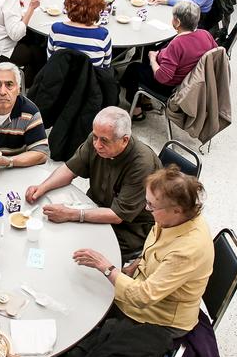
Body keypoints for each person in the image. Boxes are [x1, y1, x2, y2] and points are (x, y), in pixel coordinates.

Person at [66, 166, 214, 357]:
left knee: (84, 333)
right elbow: (153, 250)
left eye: (152, 206)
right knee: (83, 296)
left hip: (157, 320)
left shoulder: (188, 249)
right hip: (141, 289)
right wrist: (133, 266)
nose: (146, 209)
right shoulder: (171, 219)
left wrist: (106, 267)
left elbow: (142, 297)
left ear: (177, 210)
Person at [25, 107, 161, 258]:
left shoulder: (142, 165)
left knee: (72, 248)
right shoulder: (98, 138)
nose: (97, 145)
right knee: (53, 229)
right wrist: (42, 187)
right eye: (95, 137)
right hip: (95, 205)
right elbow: (70, 169)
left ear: (124, 140)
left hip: (128, 229)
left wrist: (71, 214)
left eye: (104, 140)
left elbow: (117, 215)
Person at [120, 0, 217, 120]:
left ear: (177, 22)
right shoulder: (205, 34)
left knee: (133, 69)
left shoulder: (178, 44)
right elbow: (214, 54)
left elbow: (162, 77)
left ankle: (136, 111)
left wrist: (153, 59)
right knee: (147, 56)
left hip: (171, 87)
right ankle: (145, 98)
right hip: (190, 81)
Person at [47, 0, 112, 68]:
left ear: (68, 5)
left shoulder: (56, 30)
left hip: (59, 79)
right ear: (97, 9)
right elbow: (106, 66)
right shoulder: (102, 35)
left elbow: (50, 60)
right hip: (90, 80)